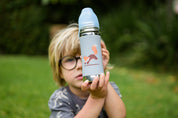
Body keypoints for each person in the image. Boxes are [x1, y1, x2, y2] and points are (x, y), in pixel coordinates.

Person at [48, 23, 126, 118]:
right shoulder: (60, 98)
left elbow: (119, 116)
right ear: (60, 72)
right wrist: (96, 98)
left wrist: (99, 70)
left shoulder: (109, 88)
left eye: (86, 56)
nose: (80, 65)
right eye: (70, 59)